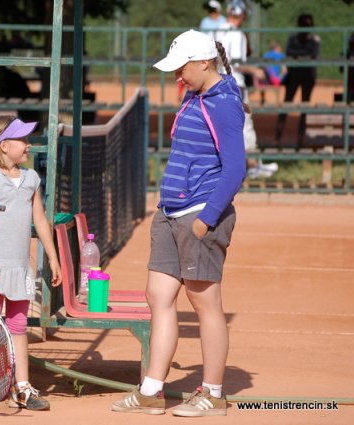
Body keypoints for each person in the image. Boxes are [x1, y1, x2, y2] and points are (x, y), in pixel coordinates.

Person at [111, 29, 246, 417]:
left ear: (204, 63)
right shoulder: (195, 94)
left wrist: (206, 219)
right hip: (170, 212)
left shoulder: (223, 104)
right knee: (159, 297)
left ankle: (214, 394)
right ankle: (152, 390)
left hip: (199, 215)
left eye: (182, 69)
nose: (177, 77)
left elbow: (235, 168)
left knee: (206, 306)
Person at [0, 116, 62, 412]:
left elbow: (40, 220)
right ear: (5, 146)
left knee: (19, 325)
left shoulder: (32, 179)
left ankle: (22, 387)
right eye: (23, 140)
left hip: (21, 267)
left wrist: (53, 256)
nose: (28, 145)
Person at [214, 0, 278, 179]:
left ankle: (224, 168)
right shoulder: (238, 35)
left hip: (219, 85)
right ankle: (253, 166)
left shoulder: (217, 31)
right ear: (242, 16)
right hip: (237, 85)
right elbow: (238, 63)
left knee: (223, 126)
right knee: (246, 126)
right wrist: (255, 70)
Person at [275, 13, 321, 148]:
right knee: (286, 105)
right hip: (294, 74)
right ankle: (277, 138)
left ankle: (300, 140)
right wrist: (302, 55)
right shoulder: (293, 38)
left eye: (308, 24)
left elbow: (313, 54)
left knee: (304, 107)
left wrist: (299, 54)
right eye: (304, 24)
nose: (306, 26)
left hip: (307, 75)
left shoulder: (314, 39)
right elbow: (290, 51)